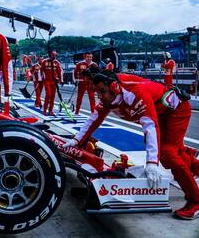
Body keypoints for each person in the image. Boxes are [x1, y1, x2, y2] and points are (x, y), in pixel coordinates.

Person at [63, 70, 199, 220]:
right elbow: (93, 120)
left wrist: (151, 163)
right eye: (97, 93)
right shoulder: (109, 94)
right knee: (170, 153)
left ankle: (196, 201)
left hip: (176, 109)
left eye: (102, 92)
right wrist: (75, 141)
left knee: (168, 153)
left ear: (114, 87)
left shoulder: (135, 93)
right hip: (161, 112)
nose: (100, 97)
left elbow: (150, 127)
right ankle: (189, 159)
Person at [41, 50, 63, 116]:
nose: (54, 56)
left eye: (55, 55)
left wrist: (61, 80)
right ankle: (44, 110)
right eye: (53, 55)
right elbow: (41, 71)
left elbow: (60, 72)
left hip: (54, 81)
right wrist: (41, 79)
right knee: (48, 95)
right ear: (50, 55)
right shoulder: (44, 61)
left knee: (53, 96)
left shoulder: (57, 62)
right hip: (47, 81)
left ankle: (51, 110)